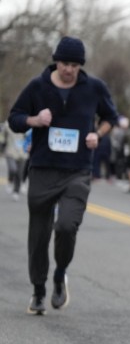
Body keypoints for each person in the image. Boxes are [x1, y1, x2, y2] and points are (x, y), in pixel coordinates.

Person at [6, 36, 118, 314]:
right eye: (65, 63)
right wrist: (34, 120)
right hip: (43, 168)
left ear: (80, 66)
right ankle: (38, 290)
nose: (69, 69)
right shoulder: (37, 86)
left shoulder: (94, 88)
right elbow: (14, 118)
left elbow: (110, 117)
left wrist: (97, 134)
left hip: (77, 170)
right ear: (56, 61)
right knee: (38, 235)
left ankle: (60, 274)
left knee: (67, 226)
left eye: (75, 65)